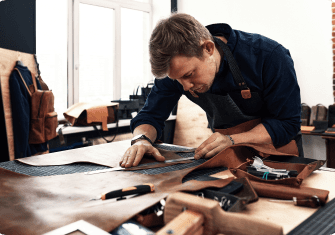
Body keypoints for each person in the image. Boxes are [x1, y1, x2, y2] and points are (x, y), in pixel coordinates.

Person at [120, 13, 302, 168]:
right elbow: (150, 115)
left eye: (190, 74)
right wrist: (141, 140)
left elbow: (287, 123)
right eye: (178, 80)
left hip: (278, 156)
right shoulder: (176, 71)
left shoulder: (269, 56)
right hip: (230, 158)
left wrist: (232, 140)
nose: (185, 86)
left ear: (208, 48)